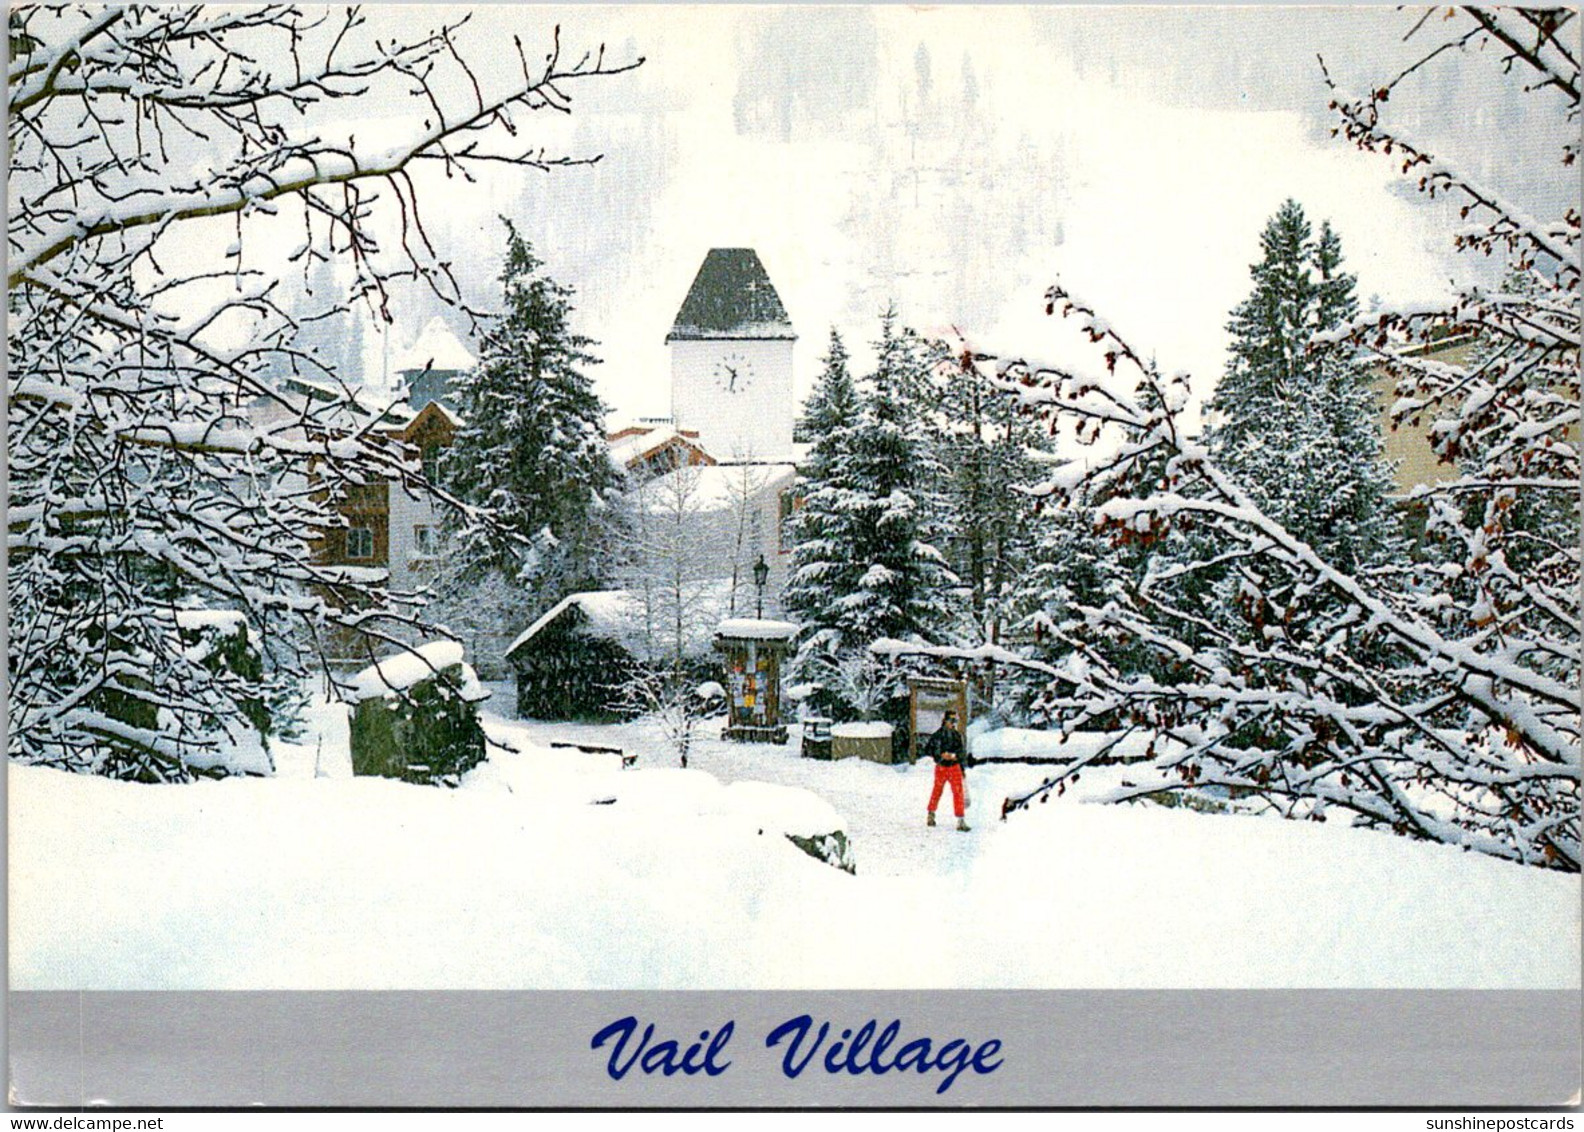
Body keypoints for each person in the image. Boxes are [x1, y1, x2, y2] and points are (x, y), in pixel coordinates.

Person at [923, 709, 970, 832]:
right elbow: (928, 749)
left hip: (954, 767)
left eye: (955, 721)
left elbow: (961, 752)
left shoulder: (957, 735)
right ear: (945, 721)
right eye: (951, 720)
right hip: (942, 767)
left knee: (958, 793)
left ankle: (960, 819)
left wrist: (956, 758)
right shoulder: (938, 735)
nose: (953, 723)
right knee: (937, 791)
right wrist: (940, 756)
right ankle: (931, 813)